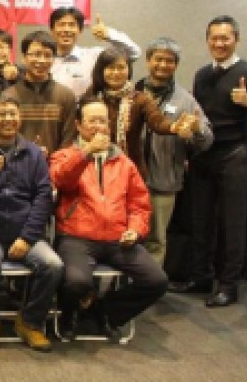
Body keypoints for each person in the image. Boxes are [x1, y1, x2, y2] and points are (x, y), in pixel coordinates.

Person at [50, 97, 167, 342]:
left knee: (156, 281)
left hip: (118, 238)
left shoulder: (125, 163)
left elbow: (139, 204)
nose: (98, 127)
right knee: (76, 281)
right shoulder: (63, 156)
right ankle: (69, 313)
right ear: (78, 125)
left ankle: (105, 312)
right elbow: (60, 180)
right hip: (76, 237)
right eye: (92, 121)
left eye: (102, 121)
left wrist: (135, 230)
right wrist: (85, 153)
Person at [0, 98, 63, 353]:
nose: (8, 119)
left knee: (53, 265)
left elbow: (43, 198)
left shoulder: (34, 154)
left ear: (20, 118)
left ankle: (29, 322)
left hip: (24, 230)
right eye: (2, 114)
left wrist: (27, 237)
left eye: (13, 114)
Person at [170, 15, 247, 307]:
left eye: (225, 38)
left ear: (236, 39)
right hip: (204, 155)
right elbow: (199, 118)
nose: (219, 43)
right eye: (214, 38)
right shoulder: (202, 75)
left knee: (232, 224)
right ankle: (200, 276)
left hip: (236, 155)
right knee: (200, 221)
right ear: (207, 41)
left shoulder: (245, 71)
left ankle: (229, 285)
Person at [135, 37, 212, 265]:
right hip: (129, 179)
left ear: (176, 65)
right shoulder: (132, 92)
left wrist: (196, 130)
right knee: (126, 237)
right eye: (158, 59)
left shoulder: (185, 100)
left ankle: (148, 285)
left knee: (156, 240)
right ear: (148, 60)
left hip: (164, 180)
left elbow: (206, 141)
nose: (162, 65)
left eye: (169, 61)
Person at [83, 46, 196, 179]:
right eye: (110, 68)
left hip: (130, 170)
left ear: (129, 70)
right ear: (101, 70)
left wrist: (174, 126)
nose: (116, 72)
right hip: (93, 168)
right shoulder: (91, 96)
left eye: (121, 67)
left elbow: (157, 121)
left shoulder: (139, 99)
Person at [1, 30, 77, 155]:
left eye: (47, 55)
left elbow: (68, 140)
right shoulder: (8, 95)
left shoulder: (66, 96)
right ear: (24, 57)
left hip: (56, 164)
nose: (41, 60)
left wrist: (57, 161)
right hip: (17, 163)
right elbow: (4, 136)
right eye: (36, 54)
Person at [49, 7, 141, 98]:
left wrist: (109, 34)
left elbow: (134, 53)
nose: (66, 29)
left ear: (80, 30)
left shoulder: (94, 56)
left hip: (87, 107)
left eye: (72, 25)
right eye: (61, 25)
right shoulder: (44, 60)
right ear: (52, 30)